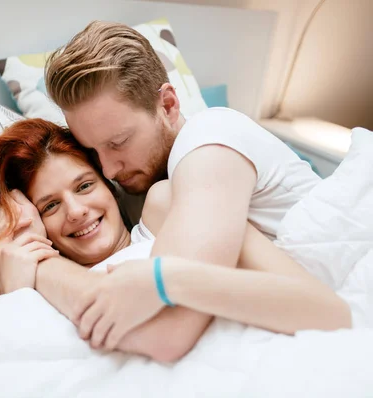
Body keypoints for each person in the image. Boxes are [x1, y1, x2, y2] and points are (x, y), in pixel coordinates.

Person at [0, 119, 350, 363]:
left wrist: (42, 268)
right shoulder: (18, 278)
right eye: (49, 206)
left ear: (110, 184)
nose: (75, 211)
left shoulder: (168, 208)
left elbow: (321, 308)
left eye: (84, 186)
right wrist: (17, 293)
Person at [19, 20, 329, 359]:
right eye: (93, 151)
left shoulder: (209, 140)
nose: (107, 169)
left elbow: (168, 331)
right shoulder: (147, 189)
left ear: (168, 105)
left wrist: (42, 268)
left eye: (118, 142)